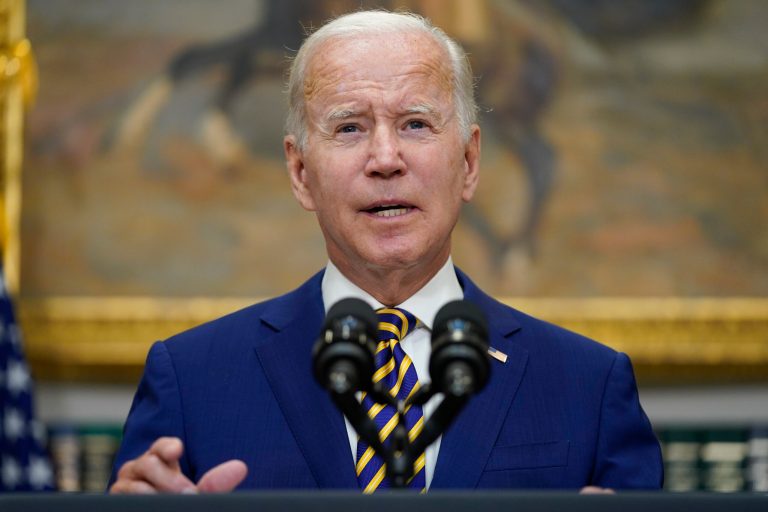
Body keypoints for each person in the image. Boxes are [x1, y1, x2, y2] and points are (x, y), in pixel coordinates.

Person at [108, 10, 662, 494]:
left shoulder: (587, 385)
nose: (385, 158)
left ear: (468, 163)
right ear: (300, 173)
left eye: (415, 124)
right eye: (349, 128)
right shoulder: (192, 379)